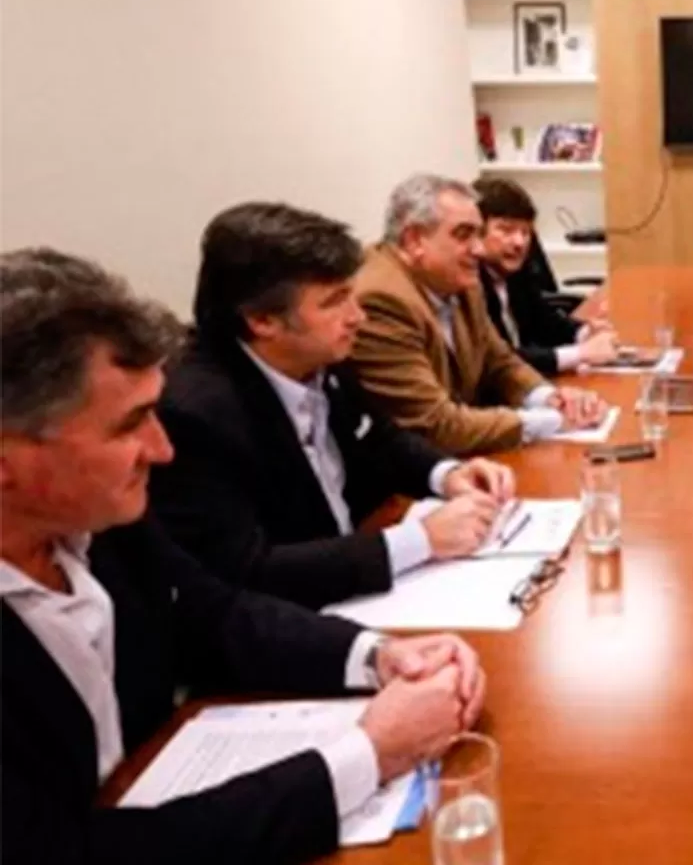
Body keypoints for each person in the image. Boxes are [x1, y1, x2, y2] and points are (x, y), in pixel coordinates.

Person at [0, 248, 486, 865]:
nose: (163, 449)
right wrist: (369, 754)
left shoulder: (96, 521)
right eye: (129, 426)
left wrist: (379, 655)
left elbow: (215, 615)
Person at [152, 203, 516, 610]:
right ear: (262, 320)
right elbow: (247, 571)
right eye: (334, 301)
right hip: (296, 626)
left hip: (367, 585)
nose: (357, 317)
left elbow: (380, 437)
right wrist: (420, 540)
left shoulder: (321, 358)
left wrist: (446, 474)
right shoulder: (196, 414)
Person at [348, 173, 606, 456]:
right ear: (414, 241)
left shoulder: (457, 280)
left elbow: (499, 362)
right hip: (411, 480)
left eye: (478, 234)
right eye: (463, 235)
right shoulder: (382, 301)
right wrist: (554, 421)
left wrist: (549, 398)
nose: (479, 249)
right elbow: (436, 424)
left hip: (464, 456)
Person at [474, 176, 617, 377]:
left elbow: (543, 319)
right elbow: (499, 359)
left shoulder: (516, 272)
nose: (519, 242)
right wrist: (580, 353)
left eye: (526, 232)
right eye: (506, 230)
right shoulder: (468, 283)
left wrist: (584, 333)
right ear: (477, 233)